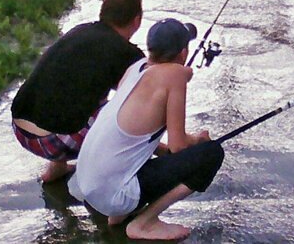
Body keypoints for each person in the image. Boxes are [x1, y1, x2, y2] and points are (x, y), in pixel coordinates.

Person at [68, 18, 224, 241]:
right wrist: (199, 141)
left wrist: (169, 151)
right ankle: (145, 222)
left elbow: (134, 138)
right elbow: (178, 145)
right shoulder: (175, 76)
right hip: (111, 195)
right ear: (183, 52)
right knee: (212, 153)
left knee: (165, 155)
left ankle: (120, 214)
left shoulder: (135, 69)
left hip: (88, 185)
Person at [11, 0, 144, 182]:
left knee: (79, 92)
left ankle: (57, 168)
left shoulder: (80, 30)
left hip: (20, 129)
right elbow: (143, 97)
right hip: (54, 142)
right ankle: (106, 178)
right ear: (136, 21)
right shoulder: (126, 54)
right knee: (127, 108)